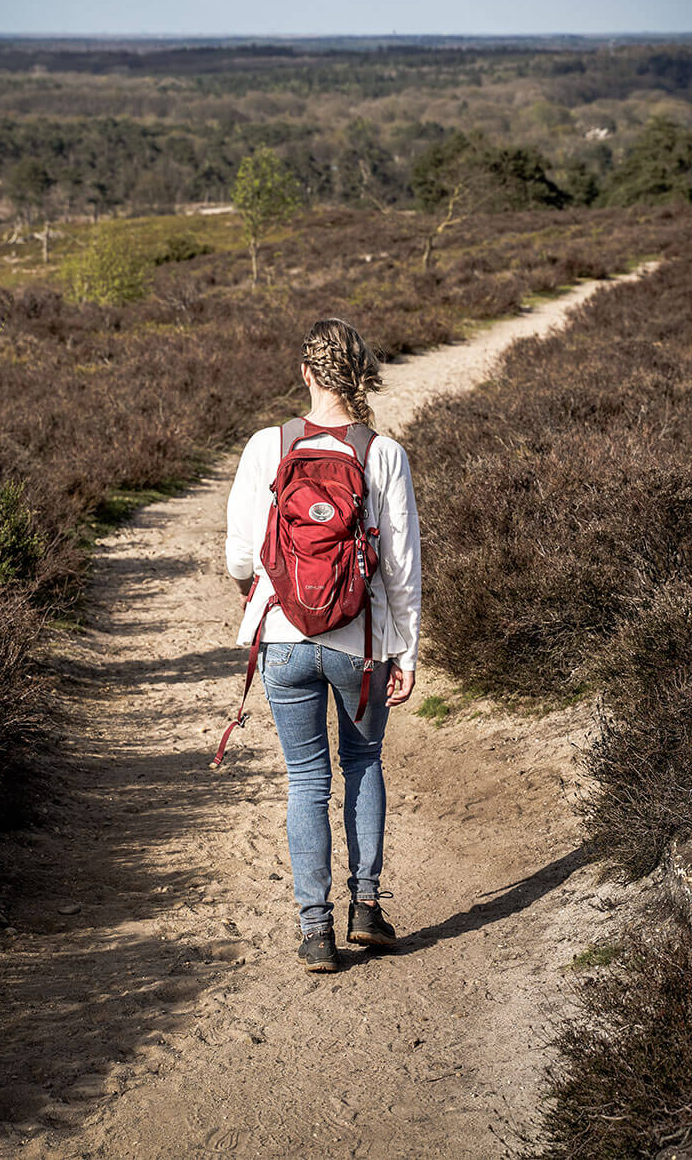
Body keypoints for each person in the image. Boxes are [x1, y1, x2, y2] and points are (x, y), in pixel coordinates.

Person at [224, 317, 421, 974]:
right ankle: (366, 910)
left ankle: (315, 933)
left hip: (283, 640)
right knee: (363, 763)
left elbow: (241, 559)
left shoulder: (266, 446)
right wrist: (409, 653)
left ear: (306, 374)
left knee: (306, 780)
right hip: (358, 645)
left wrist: (269, 594)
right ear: (360, 374)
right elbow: (401, 568)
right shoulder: (382, 453)